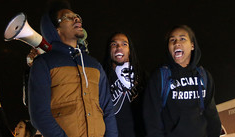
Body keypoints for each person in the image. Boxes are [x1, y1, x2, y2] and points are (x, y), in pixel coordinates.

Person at [28, 0, 118, 137]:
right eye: (67, 17)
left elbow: (108, 110)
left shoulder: (95, 65)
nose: (76, 18)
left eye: (76, 16)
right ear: (55, 29)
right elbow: (39, 114)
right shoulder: (43, 64)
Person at [143, 25, 221, 137]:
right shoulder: (159, 77)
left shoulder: (204, 76)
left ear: (192, 45)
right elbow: (152, 120)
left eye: (182, 39)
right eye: (172, 40)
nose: (176, 43)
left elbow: (212, 116)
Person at [103, 32, 146, 137]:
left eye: (124, 44)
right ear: (109, 51)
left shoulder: (143, 77)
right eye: (114, 44)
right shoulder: (101, 79)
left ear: (130, 50)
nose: (119, 47)